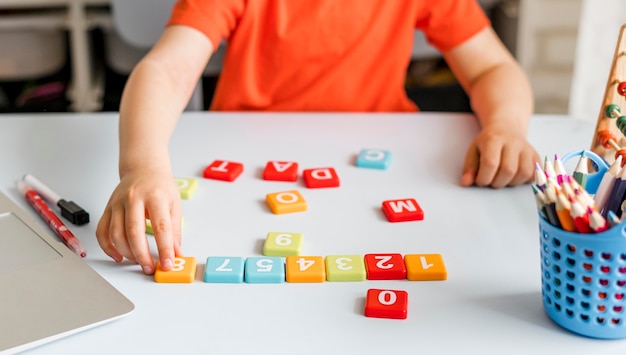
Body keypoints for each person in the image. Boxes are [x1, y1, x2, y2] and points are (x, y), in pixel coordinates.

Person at [96, 0, 541, 275]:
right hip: (243, 173)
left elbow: (492, 68)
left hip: (377, 172)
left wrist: (505, 125)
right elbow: (166, 69)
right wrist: (142, 165)